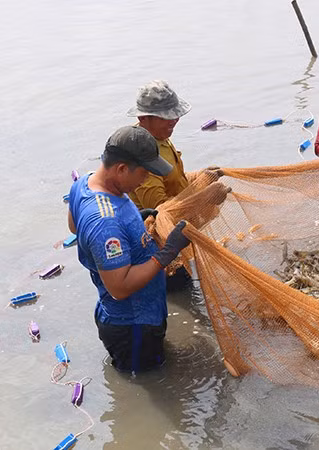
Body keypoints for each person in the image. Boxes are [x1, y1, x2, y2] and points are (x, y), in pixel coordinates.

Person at [68, 126, 194, 372]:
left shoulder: (84, 183)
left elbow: (74, 227)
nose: (146, 180)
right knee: (148, 381)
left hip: (133, 316)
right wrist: (165, 254)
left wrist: (133, 221)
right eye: (144, 173)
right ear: (122, 169)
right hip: (133, 324)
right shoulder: (106, 223)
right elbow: (119, 288)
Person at [127, 80, 221, 210]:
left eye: (175, 115)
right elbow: (160, 211)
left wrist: (201, 177)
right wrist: (205, 196)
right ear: (142, 118)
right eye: (165, 116)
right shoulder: (143, 152)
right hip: (161, 229)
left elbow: (172, 181)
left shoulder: (159, 134)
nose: (174, 120)